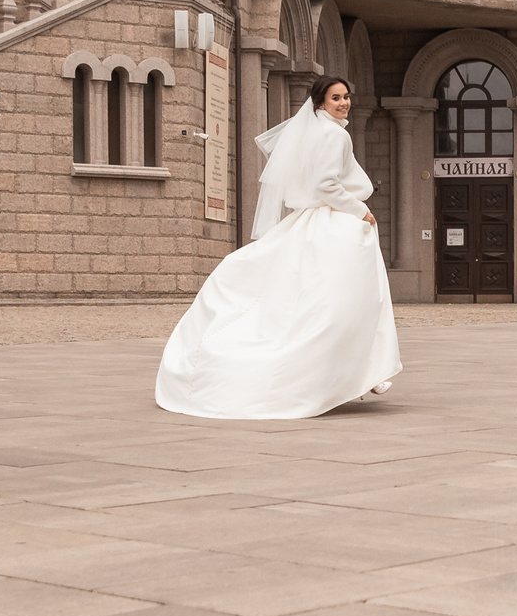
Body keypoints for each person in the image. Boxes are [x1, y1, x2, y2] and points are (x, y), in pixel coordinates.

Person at [156, 73, 401, 418]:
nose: (344, 102)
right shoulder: (334, 135)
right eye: (336, 98)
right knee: (346, 302)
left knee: (317, 298)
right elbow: (326, 185)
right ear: (319, 103)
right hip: (336, 223)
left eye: (346, 96)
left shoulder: (316, 132)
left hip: (312, 221)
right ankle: (349, 372)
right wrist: (363, 212)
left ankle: (356, 372)